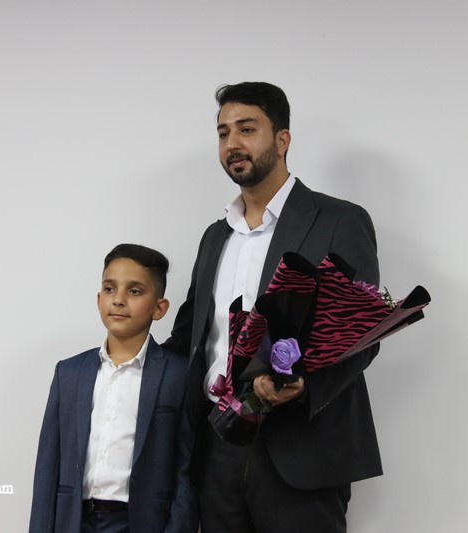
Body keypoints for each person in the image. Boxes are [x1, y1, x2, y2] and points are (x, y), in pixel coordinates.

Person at [164, 82, 382, 533]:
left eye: (247, 129)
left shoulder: (339, 221)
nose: (232, 143)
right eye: (223, 133)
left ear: (282, 140)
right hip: (217, 448)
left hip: (301, 448)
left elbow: (360, 334)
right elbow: (190, 337)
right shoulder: (214, 236)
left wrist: (303, 387)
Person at [30, 243, 198, 533]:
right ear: (99, 299)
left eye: (135, 291)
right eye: (110, 289)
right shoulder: (68, 373)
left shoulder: (178, 375)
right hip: (73, 522)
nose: (119, 300)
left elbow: (187, 472)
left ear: (159, 308)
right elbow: (47, 468)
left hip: (139, 523)